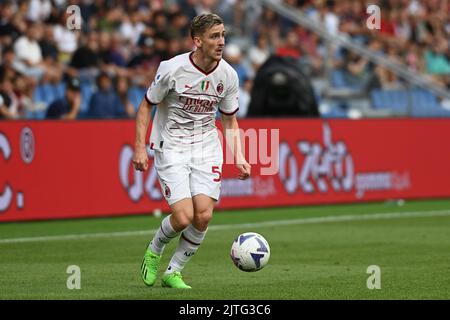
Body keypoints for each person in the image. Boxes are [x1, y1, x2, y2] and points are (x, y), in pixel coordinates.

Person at [132, 13, 251, 289]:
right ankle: (154, 249)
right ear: (197, 41)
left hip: (206, 146)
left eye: (222, 35)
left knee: (204, 215)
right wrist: (140, 147)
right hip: (171, 145)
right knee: (184, 216)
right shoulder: (172, 68)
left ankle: (174, 271)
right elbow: (145, 105)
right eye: (214, 36)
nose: (221, 41)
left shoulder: (228, 75)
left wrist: (241, 157)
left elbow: (229, 120)